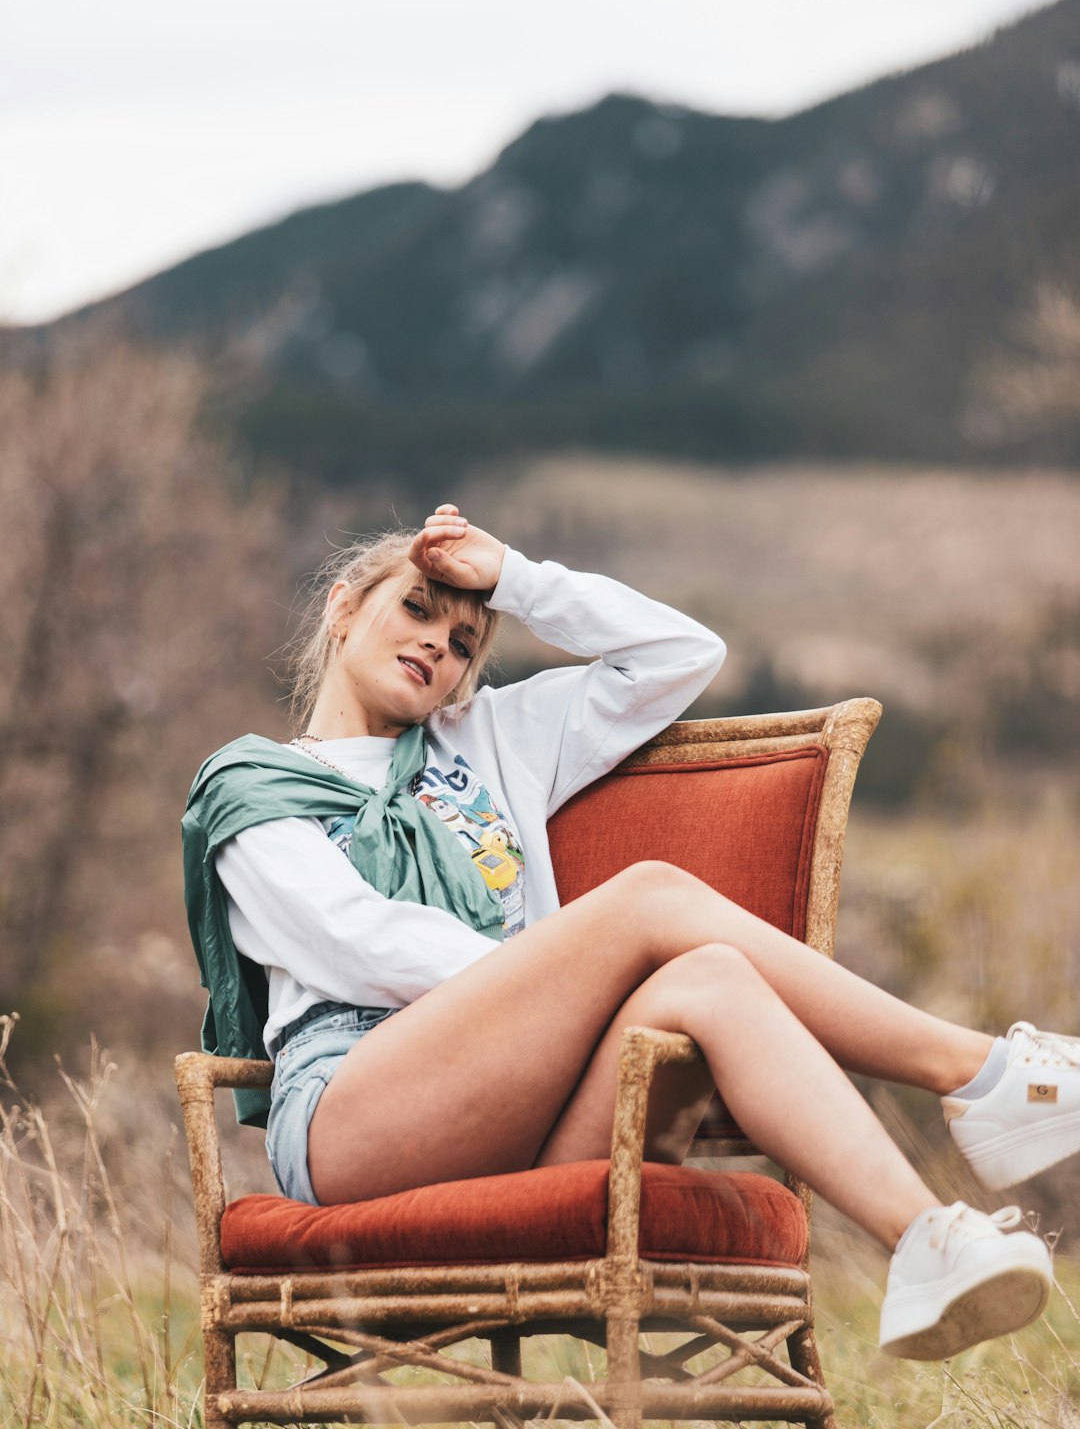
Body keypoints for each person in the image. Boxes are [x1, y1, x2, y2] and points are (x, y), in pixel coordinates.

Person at [183, 505, 1080, 1362]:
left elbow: (682, 655)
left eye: (463, 643)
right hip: (353, 1120)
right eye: (416, 610)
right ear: (343, 608)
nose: (437, 646)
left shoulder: (488, 739)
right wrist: (567, 975)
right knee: (646, 899)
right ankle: (980, 1074)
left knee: (712, 980)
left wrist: (516, 578)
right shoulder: (252, 784)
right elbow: (357, 944)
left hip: (526, 1118)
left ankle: (925, 1244)